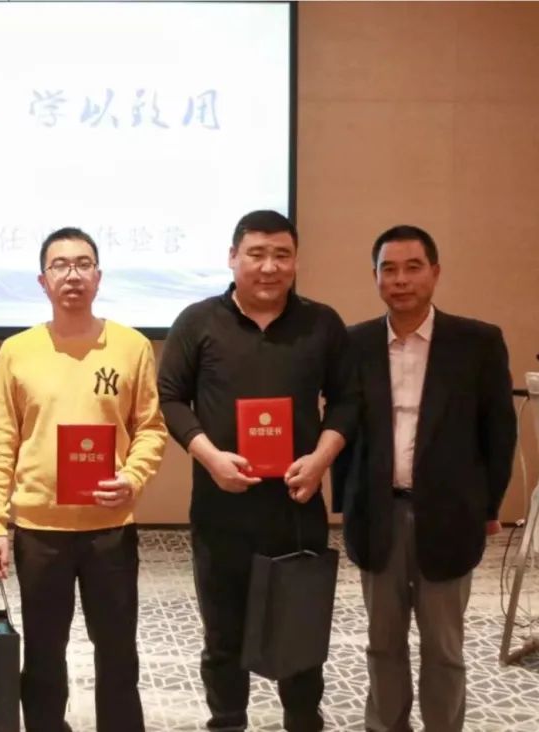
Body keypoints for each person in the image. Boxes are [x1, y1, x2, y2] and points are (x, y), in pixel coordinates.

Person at [157, 210, 357, 732]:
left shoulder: (322, 323)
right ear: (232, 257)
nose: (270, 267)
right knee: (222, 634)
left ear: (296, 261)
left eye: (282, 255)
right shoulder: (197, 321)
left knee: (301, 628)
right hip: (220, 508)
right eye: (257, 254)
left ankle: (302, 721)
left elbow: (347, 400)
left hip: (295, 505)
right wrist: (210, 457)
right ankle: (227, 721)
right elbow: (171, 398)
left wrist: (321, 460)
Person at [0, 227, 167, 732]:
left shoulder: (131, 346)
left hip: (110, 528)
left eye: (83, 264)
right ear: (43, 280)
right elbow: (0, 441)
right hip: (40, 532)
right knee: (43, 654)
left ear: (99, 277)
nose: (73, 275)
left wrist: (133, 477)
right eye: (60, 265)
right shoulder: (17, 350)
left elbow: (151, 428)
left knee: (118, 652)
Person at [332, 225, 516, 732]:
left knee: (444, 647)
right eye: (388, 269)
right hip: (378, 514)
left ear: (435, 272)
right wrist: (344, 503)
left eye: (413, 267)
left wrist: (489, 508)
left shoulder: (477, 342)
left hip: (450, 516)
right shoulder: (355, 344)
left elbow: (500, 432)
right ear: (375, 277)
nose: (401, 280)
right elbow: (342, 424)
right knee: (382, 643)